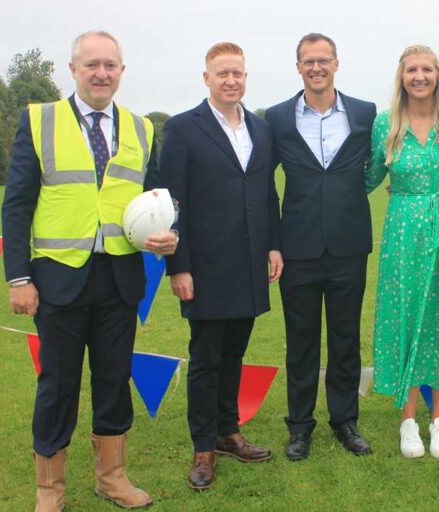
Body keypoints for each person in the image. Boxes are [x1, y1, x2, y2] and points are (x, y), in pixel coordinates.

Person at [1, 30, 178, 511]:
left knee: (114, 379)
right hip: (57, 278)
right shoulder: (39, 120)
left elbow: (157, 198)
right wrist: (19, 277)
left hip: (120, 280)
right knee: (57, 383)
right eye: (92, 64)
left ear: (122, 71)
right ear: (73, 69)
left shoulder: (141, 128)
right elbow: (16, 204)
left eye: (111, 65)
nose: (102, 73)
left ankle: (112, 477)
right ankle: (49, 490)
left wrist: (167, 234)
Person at [159, 42, 283, 490]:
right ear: (206, 77)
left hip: (249, 263)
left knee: (235, 353)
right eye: (223, 73)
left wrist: (273, 244)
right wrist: (179, 265)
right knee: (206, 359)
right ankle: (204, 448)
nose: (231, 80)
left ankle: (229, 432)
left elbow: (266, 192)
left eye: (239, 73)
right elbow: (168, 202)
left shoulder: (260, 129)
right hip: (204, 267)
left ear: (246, 77)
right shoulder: (182, 129)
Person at [365, 45, 439, 459]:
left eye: (427, 69)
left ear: (437, 75)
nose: (420, 76)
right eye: (411, 69)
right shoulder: (385, 125)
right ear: (401, 76)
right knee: (405, 318)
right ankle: (408, 421)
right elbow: (364, 178)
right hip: (402, 235)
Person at [264, 33, 377, 461]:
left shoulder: (365, 113)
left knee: (346, 338)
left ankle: (345, 420)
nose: (316, 68)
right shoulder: (276, 118)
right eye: (308, 61)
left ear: (336, 63)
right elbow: (261, 181)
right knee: (302, 341)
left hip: (349, 245)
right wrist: (272, 242)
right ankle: (299, 426)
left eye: (323, 60)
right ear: (298, 67)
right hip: (298, 247)